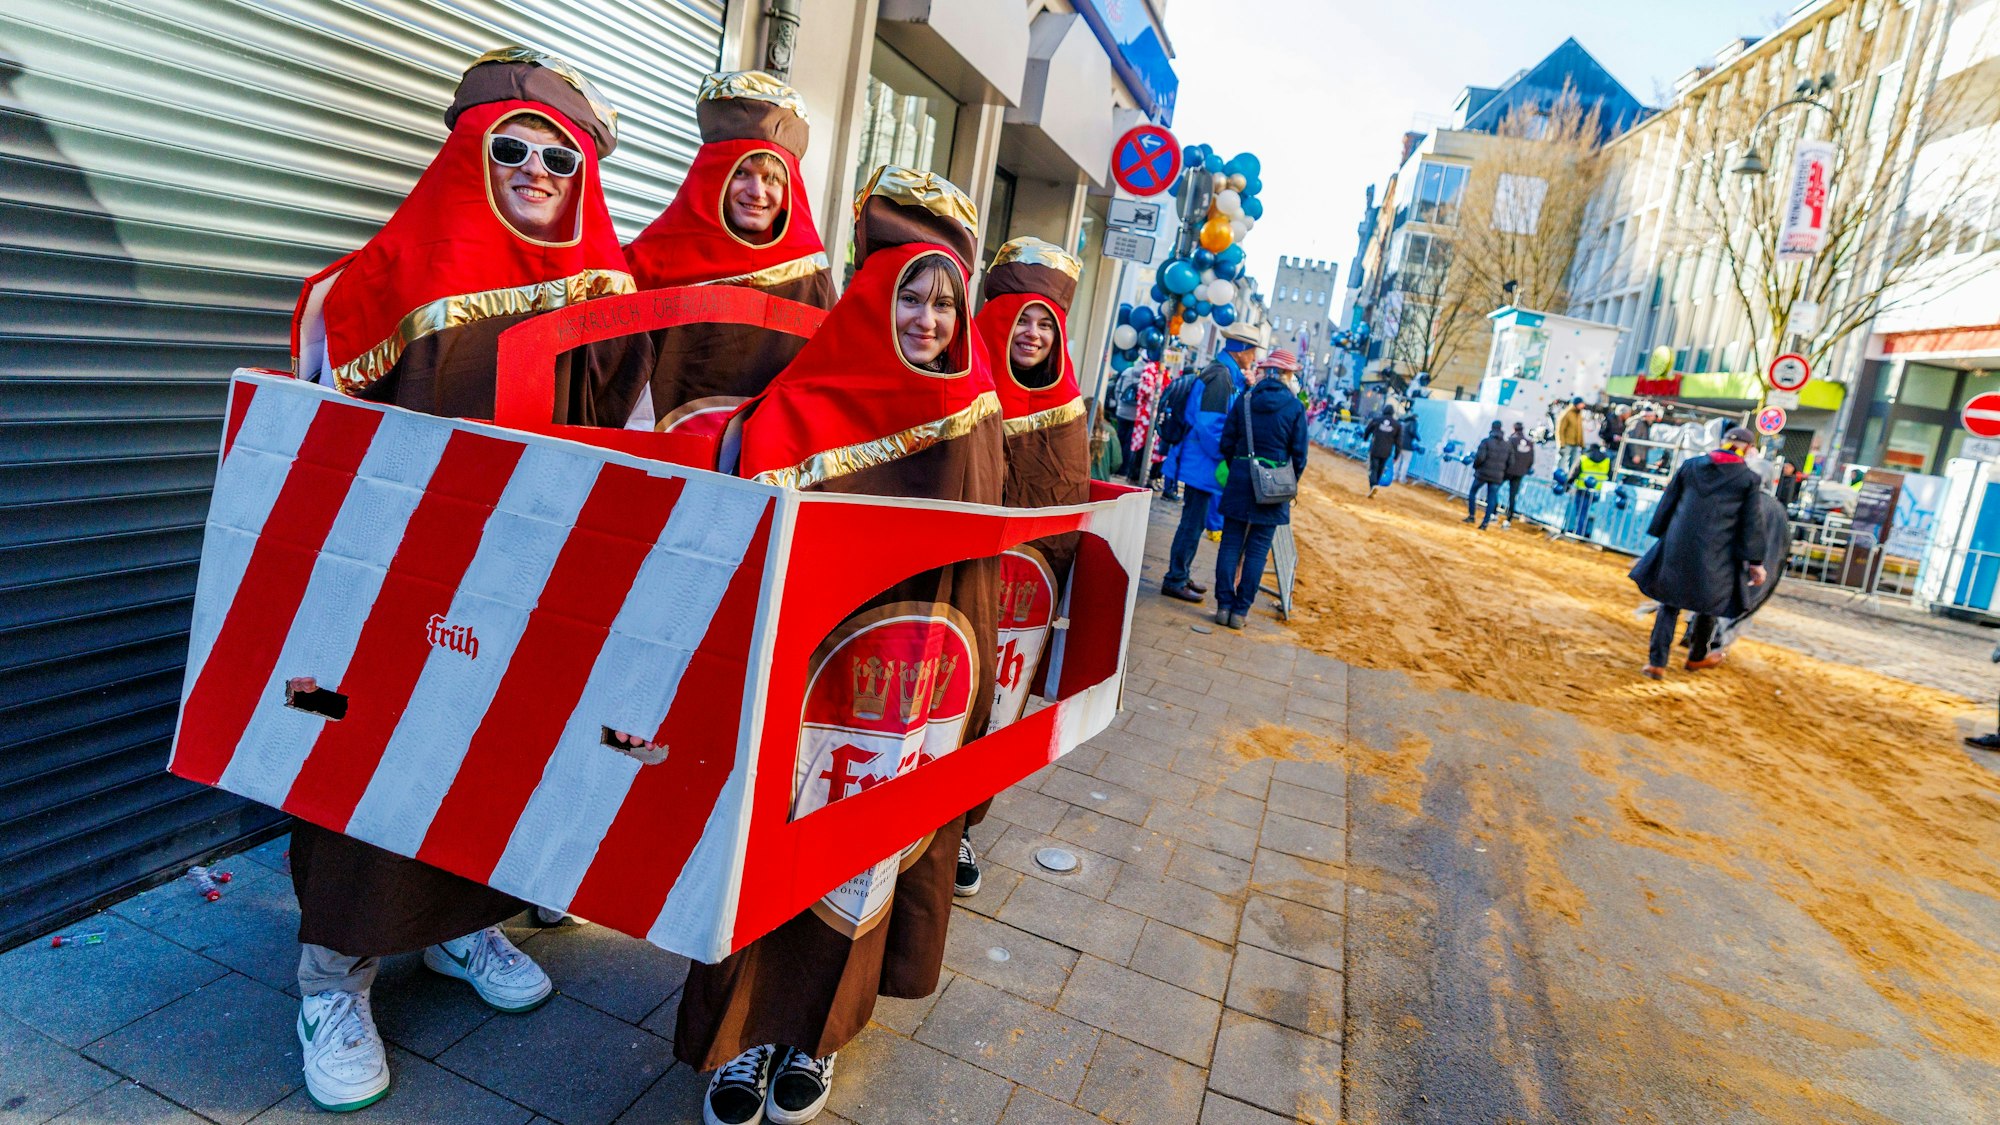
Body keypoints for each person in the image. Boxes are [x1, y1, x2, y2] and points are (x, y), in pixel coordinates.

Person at [284, 46, 649, 1114]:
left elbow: (640, 459)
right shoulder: (365, 288)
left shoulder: (614, 304)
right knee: (365, 765)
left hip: (528, 590)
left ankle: (461, 927)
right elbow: (307, 455)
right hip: (390, 590)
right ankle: (332, 980)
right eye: (513, 150)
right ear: (468, 155)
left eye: (560, 157)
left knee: (501, 760)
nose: (537, 170)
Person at [692, 166, 1001, 1125]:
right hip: (803, 675)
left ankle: (814, 1035)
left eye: (945, 303)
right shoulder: (796, 403)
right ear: (874, 295)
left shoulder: (974, 405)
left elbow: (984, 569)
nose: (928, 319)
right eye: (911, 297)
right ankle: (742, 1036)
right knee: (768, 846)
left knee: (863, 858)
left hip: (907, 680)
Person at [964, 235, 1089, 897]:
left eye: (1045, 322)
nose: (1032, 333)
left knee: (992, 709)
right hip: (954, 578)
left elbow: (1064, 507)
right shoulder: (961, 382)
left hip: (1016, 599)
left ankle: (960, 825)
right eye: (1022, 319)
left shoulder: (1067, 410)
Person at [622, 70, 835, 434]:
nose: (757, 192)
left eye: (772, 179)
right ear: (715, 175)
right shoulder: (649, 261)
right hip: (658, 455)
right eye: (742, 173)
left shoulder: (812, 281)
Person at [1629, 426, 1769, 679]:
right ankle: (1696, 657)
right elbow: (1752, 522)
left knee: (1669, 603)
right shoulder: (1748, 479)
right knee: (1710, 605)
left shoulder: (1691, 466)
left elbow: (1668, 501)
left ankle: (1656, 663)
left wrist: (1660, 535)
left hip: (1679, 543)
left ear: (1722, 441)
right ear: (1748, 449)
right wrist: (1755, 561)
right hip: (1719, 550)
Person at [1160, 324, 1260, 601]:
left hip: (1199, 462)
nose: (1254, 357)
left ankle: (1181, 574)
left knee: (1194, 522)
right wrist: (1226, 454)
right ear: (1241, 350)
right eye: (1252, 351)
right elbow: (1210, 426)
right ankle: (1175, 578)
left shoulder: (1223, 373)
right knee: (1192, 524)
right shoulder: (1221, 377)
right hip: (1201, 463)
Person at [1214, 350, 1308, 629]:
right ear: (1287, 375)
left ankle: (1223, 606)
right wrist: (1286, 480)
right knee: (1257, 550)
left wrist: (1240, 466)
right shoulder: (1295, 407)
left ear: (1266, 372)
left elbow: (1226, 442)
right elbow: (1300, 455)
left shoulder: (1246, 400)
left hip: (1241, 477)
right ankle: (1240, 612)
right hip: (1273, 484)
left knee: (1230, 543)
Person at [1561, 442, 1614, 539]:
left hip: (1582, 490)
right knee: (1594, 514)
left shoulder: (1583, 458)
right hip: (1598, 491)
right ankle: (1589, 534)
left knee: (1582, 512)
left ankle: (1580, 533)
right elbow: (1610, 476)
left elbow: (1574, 473)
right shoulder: (1607, 460)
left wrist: (1567, 484)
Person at [1465, 420, 1509, 529]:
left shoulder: (1486, 442)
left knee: (1472, 492)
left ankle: (1471, 516)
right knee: (1491, 499)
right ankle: (1485, 523)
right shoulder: (1507, 445)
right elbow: (1510, 462)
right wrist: (1503, 473)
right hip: (1497, 476)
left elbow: (1480, 457)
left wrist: (1476, 467)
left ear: (1492, 428)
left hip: (1482, 473)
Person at [1113, 363, 1145, 483]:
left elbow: (1117, 389)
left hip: (1122, 412)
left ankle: (1114, 467)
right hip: (1136, 415)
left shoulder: (1127, 372)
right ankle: (1124, 470)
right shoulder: (1147, 375)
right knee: (1129, 444)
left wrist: (1119, 405)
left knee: (1119, 440)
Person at [1502, 421, 1536, 528]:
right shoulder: (1529, 443)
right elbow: (1531, 460)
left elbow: (1505, 455)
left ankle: (1493, 513)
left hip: (1508, 471)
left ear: (1514, 429)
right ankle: (1508, 518)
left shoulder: (1511, 440)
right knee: (1513, 496)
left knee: (1495, 489)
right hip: (1519, 473)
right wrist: (1524, 469)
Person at [1364, 405, 1401, 497]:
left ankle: (1373, 485)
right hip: (1386, 451)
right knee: (1380, 469)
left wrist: (1365, 438)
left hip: (1375, 449)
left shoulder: (1377, 420)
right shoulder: (1397, 425)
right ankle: (1375, 485)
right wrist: (1396, 455)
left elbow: (1368, 430)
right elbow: (1398, 442)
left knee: (1374, 468)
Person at [1555, 396, 1586, 478]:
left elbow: (1580, 430)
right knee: (1561, 461)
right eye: (1581, 404)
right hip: (1566, 443)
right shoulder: (1566, 413)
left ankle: (1569, 479)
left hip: (1575, 444)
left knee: (1573, 463)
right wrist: (1561, 444)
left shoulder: (1579, 414)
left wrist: (1582, 444)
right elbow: (1560, 430)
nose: (1583, 405)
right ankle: (1558, 477)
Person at [1395, 408, 1419, 483]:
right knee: (1406, 462)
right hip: (1408, 446)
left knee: (1397, 461)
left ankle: (1394, 476)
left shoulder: (1404, 422)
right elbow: (1412, 431)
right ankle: (1402, 478)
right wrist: (1418, 438)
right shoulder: (1414, 422)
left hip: (1399, 444)